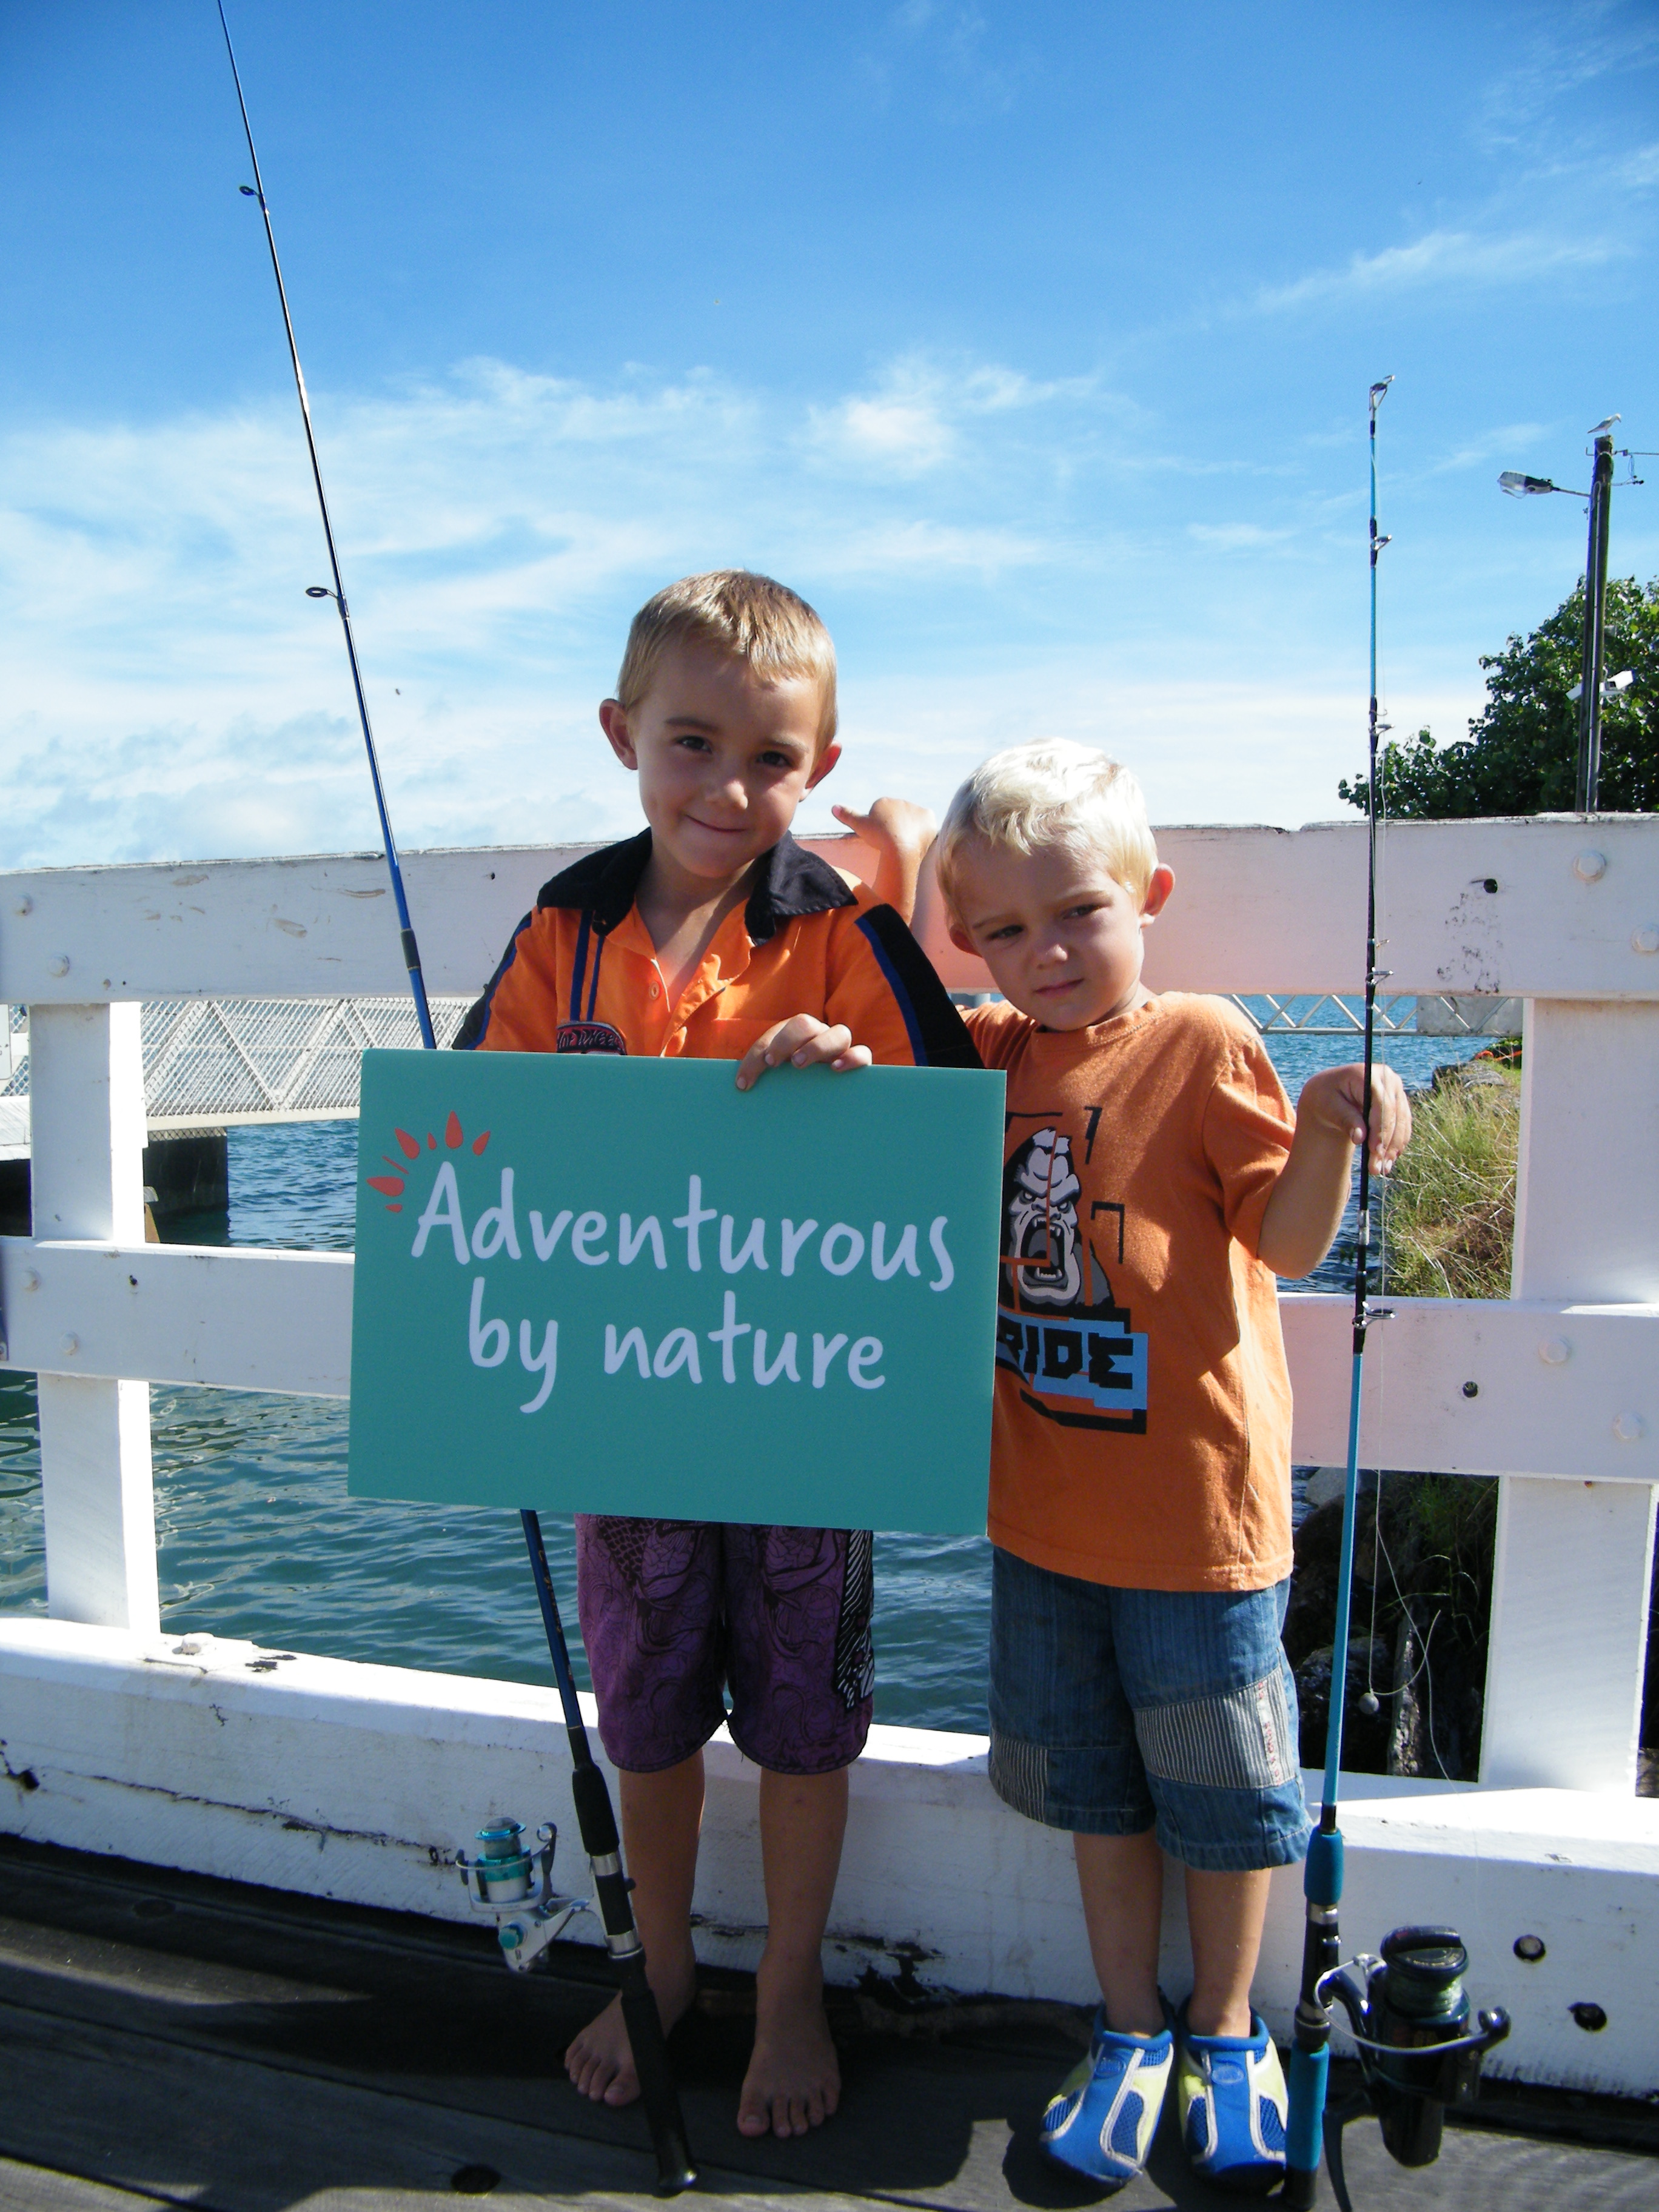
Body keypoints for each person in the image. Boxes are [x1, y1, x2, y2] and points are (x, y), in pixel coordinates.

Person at [455, 570, 978, 2142]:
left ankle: (796, 1982)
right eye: (692, 746)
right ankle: (664, 1964)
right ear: (624, 737)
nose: (730, 788)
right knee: (651, 1708)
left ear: (815, 766)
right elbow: (472, 1135)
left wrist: (845, 1076)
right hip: (626, 1419)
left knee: (805, 1720)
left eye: (770, 758)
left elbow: (946, 1113)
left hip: (812, 1417)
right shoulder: (567, 923)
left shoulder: (847, 924)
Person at [905, 739, 1409, 2191]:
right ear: (964, 939)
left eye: (1075, 912)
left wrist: (1335, 1123)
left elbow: (1293, 1242)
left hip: (1199, 1528)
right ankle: (1128, 2028)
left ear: (1148, 895)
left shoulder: (1200, 1038)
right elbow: (875, 1038)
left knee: (1228, 1797)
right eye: (1001, 929)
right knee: (1093, 1796)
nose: (1042, 952)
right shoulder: (984, 1055)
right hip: (1040, 1524)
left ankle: (1230, 2028)